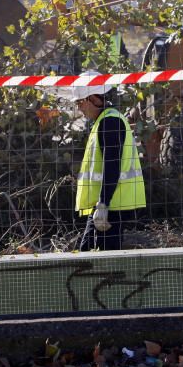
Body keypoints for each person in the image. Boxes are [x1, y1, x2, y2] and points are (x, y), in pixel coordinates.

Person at [51, 70, 146, 251]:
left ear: (93, 99)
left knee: (96, 260)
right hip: (109, 204)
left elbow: (112, 165)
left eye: (80, 102)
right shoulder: (106, 120)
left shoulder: (110, 122)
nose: (79, 108)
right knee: (95, 257)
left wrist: (103, 203)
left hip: (111, 205)